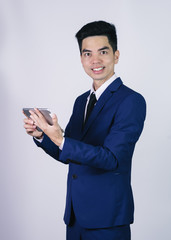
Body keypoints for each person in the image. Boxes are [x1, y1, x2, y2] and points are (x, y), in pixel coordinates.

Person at [23, 21, 146, 240]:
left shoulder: (131, 101)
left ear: (116, 56)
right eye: (87, 53)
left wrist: (61, 139)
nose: (95, 60)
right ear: (81, 59)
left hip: (107, 220)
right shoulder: (82, 101)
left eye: (103, 52)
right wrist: (43, 136)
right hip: (75, 217)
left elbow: (112, 159)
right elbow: (67, 153)